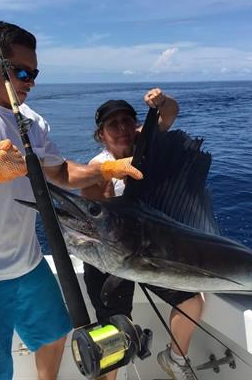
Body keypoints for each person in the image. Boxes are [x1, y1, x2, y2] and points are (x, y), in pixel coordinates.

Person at [0, 21, 142, 380]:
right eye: (22, 72)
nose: (30, 81)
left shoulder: (32, 121)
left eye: (34, 73)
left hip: (29, 266)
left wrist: (108, 169)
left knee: (53, 337)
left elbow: (61, 173)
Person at [81, 91, 204, 380]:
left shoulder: (147, 146)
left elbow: (170, 112)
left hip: (150, 253)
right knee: (112, 334)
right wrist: (107, 194)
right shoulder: (97, 167)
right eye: (113, 125)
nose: (122, 129)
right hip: (109, 260)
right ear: (100, 135)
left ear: (137, 126)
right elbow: (94, 221)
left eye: (127, 122)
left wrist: (162, 101)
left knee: (192, 301)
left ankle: (175, 359)